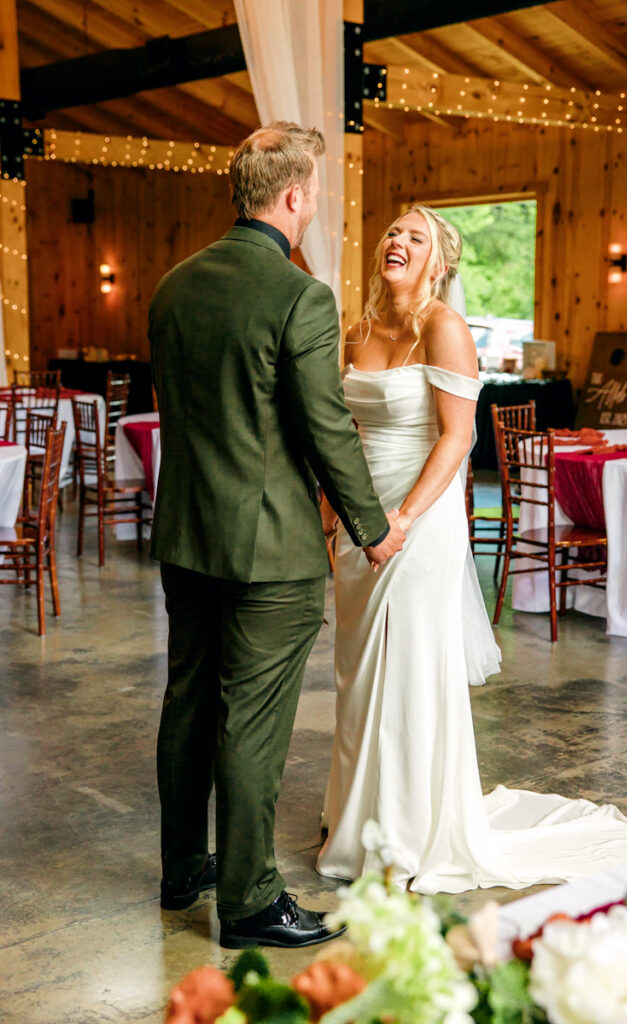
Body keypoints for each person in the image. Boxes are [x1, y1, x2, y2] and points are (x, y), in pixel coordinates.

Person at [317, 205, 627, 893]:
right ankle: (358, 820)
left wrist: (401, 520)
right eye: (392, 232)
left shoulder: (444, 326)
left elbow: (457, 437)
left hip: (418, 517)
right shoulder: (355, 329)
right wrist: (334, 516)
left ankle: (410, 833)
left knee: (407, 669)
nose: (397, 241)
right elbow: (342, 431)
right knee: (356, 677)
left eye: (415, 237)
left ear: (438, 263)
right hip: (356, 519)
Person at [148, 121, 406, 948]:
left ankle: (186, 865)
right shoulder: (301, 295)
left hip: (186, 535)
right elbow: (324, 427)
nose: (316, 203)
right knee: (251, 720)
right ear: (295, 195)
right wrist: (372, 525)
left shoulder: (173, 286)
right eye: (316, 192)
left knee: (189, 704)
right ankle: (252, 901)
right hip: (269, 549)